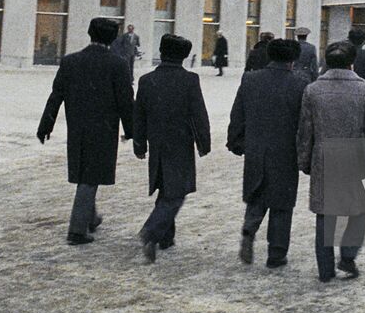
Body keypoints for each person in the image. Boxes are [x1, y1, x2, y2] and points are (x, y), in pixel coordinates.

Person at [37, 17, 134, 245]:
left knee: (87, 172)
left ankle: (91, 217)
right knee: (90, 178)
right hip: (104, 128)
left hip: (78, 127)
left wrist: (45, 125)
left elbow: (56, 95)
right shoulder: (117, 64)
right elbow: (125, 102)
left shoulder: (71, 61)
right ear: (113, 38)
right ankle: (77, 230)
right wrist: (132, 130)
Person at [296, 41, 365, 283]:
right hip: (356, 158)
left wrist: (304, 161)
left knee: (325, 214)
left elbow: (306, 130)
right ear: (351, 62)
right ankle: (347, 254)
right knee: (360, 210)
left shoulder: (312, 90)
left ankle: (325, 269)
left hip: (324, 157)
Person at [228, 38, 309, 267]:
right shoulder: (300, 84)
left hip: (256, 148)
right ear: (293, 60)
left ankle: (249, 227)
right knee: (282, 204)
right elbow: (305, 122)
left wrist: (235, 140)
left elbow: (238, 113)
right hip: (286, 151)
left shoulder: (250, 79)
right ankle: (276, 253)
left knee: (257, 192)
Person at [132, 34, 211, 262]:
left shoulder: (147, 81)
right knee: (176, 193)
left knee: (166, 187)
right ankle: (151, 232)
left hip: (157, 143)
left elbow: (139, 116)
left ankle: (167, 237)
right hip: (180, 143)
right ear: (184, 57)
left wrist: (139, 144)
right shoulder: (189, 80)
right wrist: (203, 143)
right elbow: (199, 115)